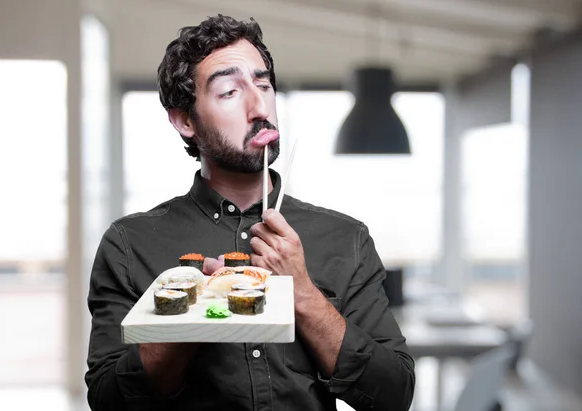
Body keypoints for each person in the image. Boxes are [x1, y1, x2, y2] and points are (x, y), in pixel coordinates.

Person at [85, 14, 415, 411]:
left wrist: (304, 294)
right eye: (229, 91)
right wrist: (194, 312)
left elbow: (394, 395)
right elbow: (108, 400)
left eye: (263, 84)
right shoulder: (128, 245)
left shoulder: (347, 238)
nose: (260, 105)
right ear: (184, 120)